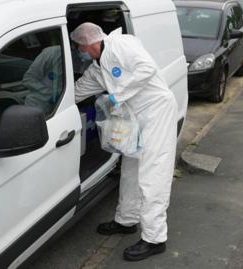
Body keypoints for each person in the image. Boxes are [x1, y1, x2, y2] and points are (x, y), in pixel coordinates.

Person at [70, 22, 178, 261]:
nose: (80, 53)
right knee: (130, 170)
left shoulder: (122, 45)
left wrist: (116, 96)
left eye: (80, 48)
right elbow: (78, 90)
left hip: (156, 112)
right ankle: (126, 220)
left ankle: (155, 238)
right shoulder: (98, 67)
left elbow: (146, 68)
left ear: (90, 43)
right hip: (134, 118)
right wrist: (55, 104)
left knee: (153, 174)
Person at [22, 45, 63, 114]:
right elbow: (28, 79)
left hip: (58, 108)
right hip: (37, 106)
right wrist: (51, 94)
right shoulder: (52, 53)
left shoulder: (76, 59)